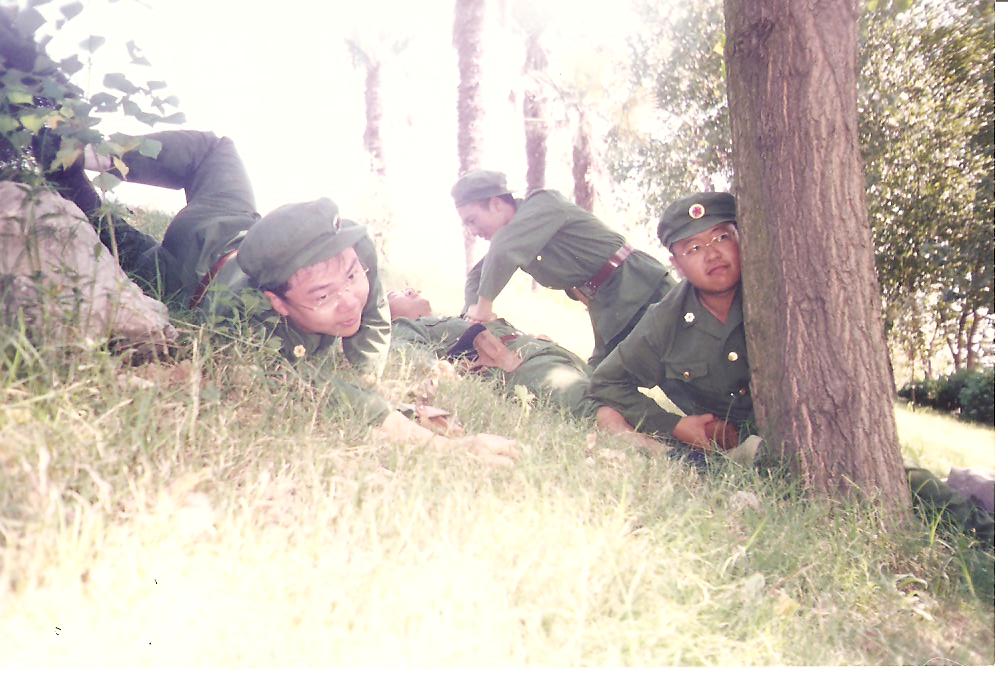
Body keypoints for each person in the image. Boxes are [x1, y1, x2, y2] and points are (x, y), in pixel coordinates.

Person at [34, 128, 518, 463]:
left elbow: (369, 305)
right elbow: (327, 395)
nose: (349, 300)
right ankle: (62, 155)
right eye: (323, 296)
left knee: (217, 150)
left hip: (237, 222)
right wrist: (447, 448)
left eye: (350, 276)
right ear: (278, 304)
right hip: (191, 273)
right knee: (105, 233)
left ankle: (83, 156)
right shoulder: (251, 329)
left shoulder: (352, 247)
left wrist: (366, 370)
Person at [588, 191, 994, 544]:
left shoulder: (782, 290)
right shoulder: (666, 322)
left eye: (722, 237)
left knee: (907, 484)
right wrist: (677, 426)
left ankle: (986, 528)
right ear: (676, 263)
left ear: (742, 238)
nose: (712, 254)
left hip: (816, 435)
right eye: (693, 248)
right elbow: (607, 383)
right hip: (744, 455)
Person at [451, 170, 676, 367]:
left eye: (472, 220)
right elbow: (476, 275)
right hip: (605, 305)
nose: (472, 231)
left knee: (686, 358)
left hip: (639, 285)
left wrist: (483, 308)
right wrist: (471, 322)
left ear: (496, 204)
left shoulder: (543, 204)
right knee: (602, 382)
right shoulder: (514, 237)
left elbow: (502, 249)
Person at [387, 287, 597, 419]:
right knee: (596, 411)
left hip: (548, 354)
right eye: (395, 294)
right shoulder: (405, 327)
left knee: (610, 390)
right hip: (525, 366)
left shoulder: (450, 320)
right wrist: (439, 369)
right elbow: (407, 351)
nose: (411, 290)